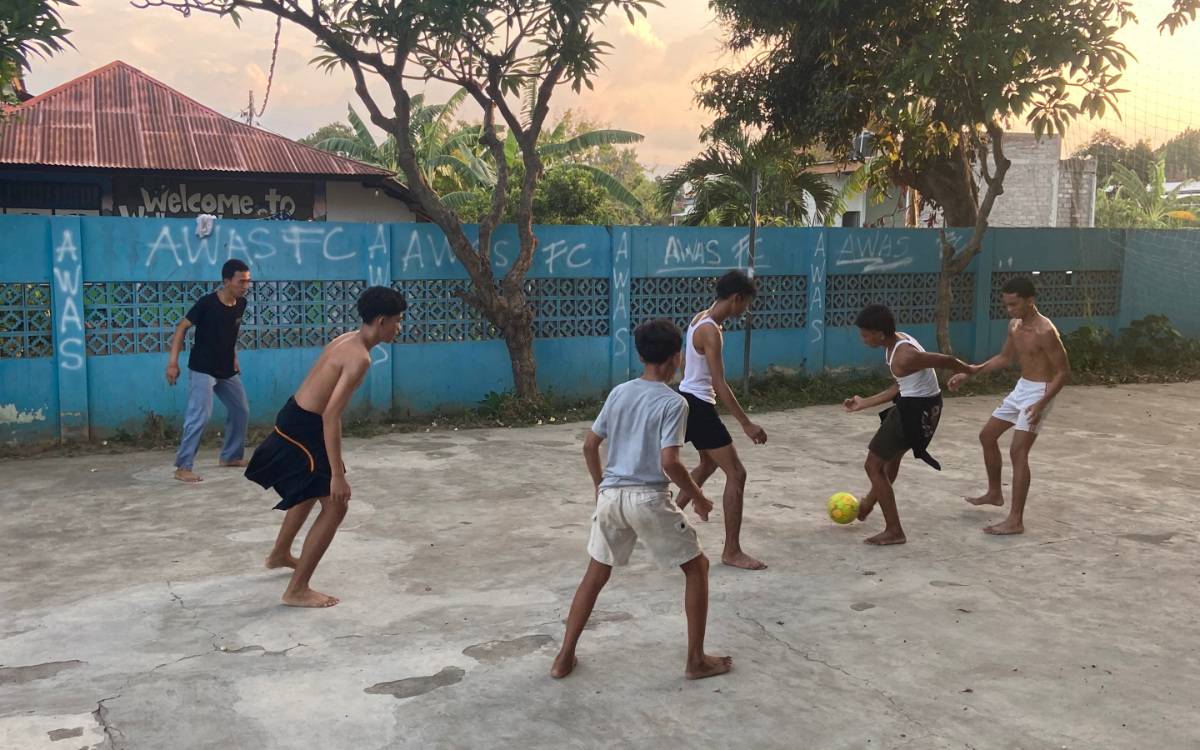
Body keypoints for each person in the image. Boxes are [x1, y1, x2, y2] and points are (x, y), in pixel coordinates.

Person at [552, 319, 731, 681]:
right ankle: (695, 660)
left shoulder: (620, 392)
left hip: (612, 497)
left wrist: (600, 487)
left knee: (595, 574)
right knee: (697, 569)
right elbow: (670, 461)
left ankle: (563, 658)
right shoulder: (674, 402)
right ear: (678, 358)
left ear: (639, 356)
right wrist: (698, 497)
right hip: (647, 498)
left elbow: (590, 445)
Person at [244, 286, 407, 608]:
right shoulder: (360, 358)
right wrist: (337, 474)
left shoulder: (346, 339)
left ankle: (279, 554)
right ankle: (297, 590)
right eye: (399, 321)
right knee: (336, 503)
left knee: (308, 489)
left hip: (295, 415)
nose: (400, 328)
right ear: (382, 321)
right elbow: (331, 415)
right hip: (306, 428)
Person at [949, 275, 1070, 536]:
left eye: (1014, 304)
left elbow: (1063, 372)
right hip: (1022, 388)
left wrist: (1041, 404)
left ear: (1030, 301)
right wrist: (970, 372)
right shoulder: (1014, 326)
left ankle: (1016, 520)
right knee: (987, 436)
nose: (1010, 310)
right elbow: (1005, 358)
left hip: (1041, 390)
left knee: (1018, 451)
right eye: (1006, 305)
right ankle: (994, 493)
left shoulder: (1046, 331)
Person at [844, 304, 973, 546]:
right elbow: (899, 386)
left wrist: (969, 371)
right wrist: (864, 403)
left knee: (872, 465)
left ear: (879, 334)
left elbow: (944, 359)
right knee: (890, 460)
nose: (862, 339)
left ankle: (893, 530)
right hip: (921, 405)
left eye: (864, 334)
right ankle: (869, 505)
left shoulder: (905, 355)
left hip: (915, 411)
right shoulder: (897, 342)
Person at [672, 269, 769, 570]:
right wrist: (746, 423)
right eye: (746, 304)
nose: (745, 311)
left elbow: (687, 361)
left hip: (688, 399)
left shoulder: (699, 318)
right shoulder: (711, 329)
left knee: (708, 463)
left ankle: (668, 523)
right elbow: (719, 383)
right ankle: (732, 551)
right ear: (736, 298)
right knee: (737, 474)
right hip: (699, 406)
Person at [166, 259, 252, 482]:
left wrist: (234, 358)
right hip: (203, 368)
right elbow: (181, 328)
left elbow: (230, 333)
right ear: (226, 281)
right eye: (241, 281)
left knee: (240, 409)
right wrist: (173, 363)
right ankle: (183, 467)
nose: (245, 286)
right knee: (200, 416)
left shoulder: (241, 304)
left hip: (226, 369)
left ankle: (231, 456)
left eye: (248, 281)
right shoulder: (207, 303)